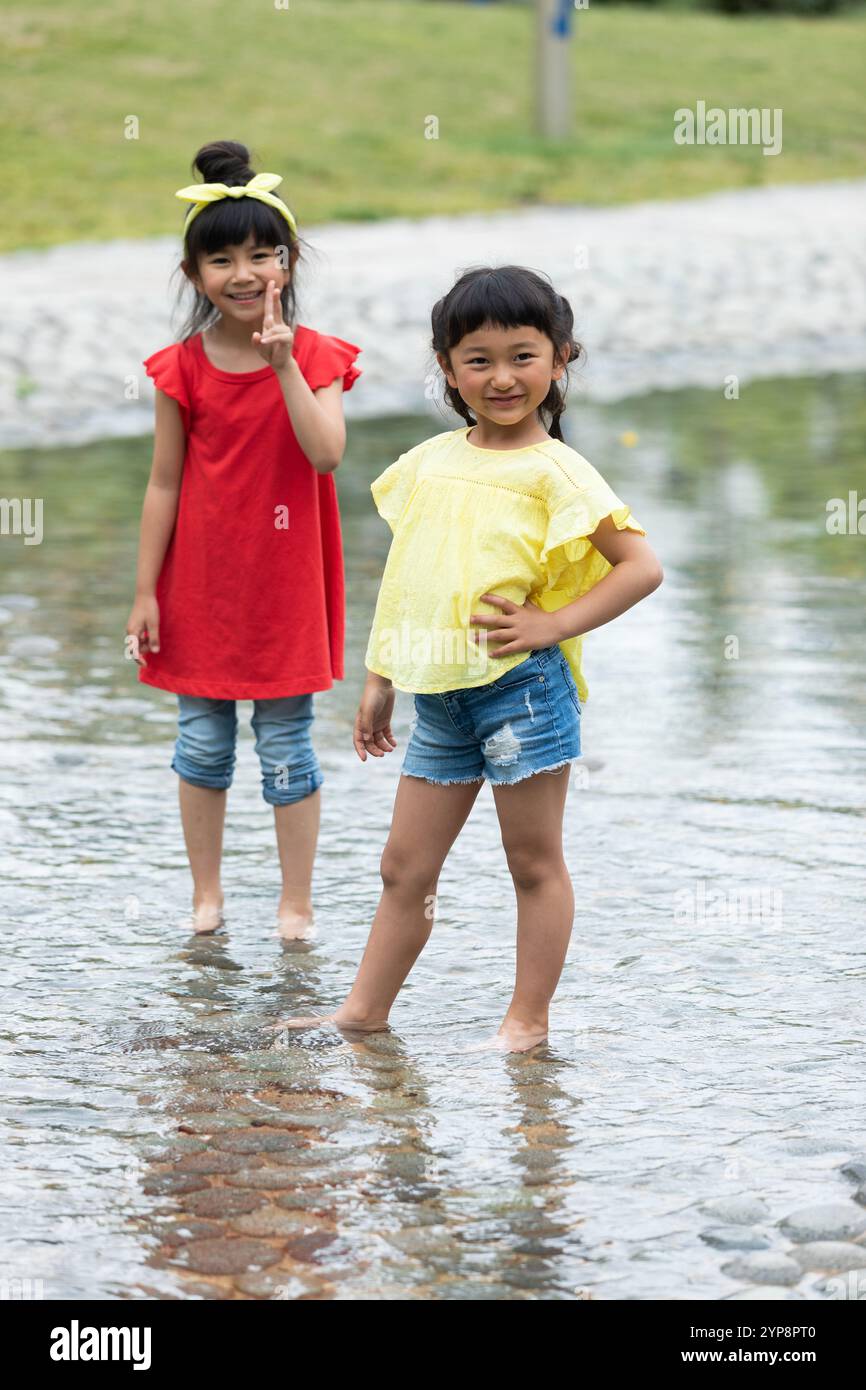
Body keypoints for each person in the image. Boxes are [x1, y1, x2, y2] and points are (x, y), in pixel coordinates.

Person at [276, 264, 663, 1052]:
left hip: (521, 693)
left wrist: (552, 624)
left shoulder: (556, 469)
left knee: (531, 863)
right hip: (440, 699)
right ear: (448, 370)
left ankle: (527, 1023)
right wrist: (381, 678)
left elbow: (641, 566)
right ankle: (363, 1012)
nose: (502, 377)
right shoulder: (429, 461)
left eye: (523, 355)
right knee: (401, 868)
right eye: (478, 359)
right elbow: (411, 579)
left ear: (560, 359)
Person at [125, 140, 362, 939]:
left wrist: (285, 364)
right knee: (201, 740)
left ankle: (295, 902)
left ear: (287, 264)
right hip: (200, 584)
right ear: (194, 276)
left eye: (262, 255)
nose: (244, 274)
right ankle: (208, 896)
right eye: (222, 260)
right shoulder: (180, 370)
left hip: (285, 583)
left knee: (288, 739)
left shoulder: (318, 356)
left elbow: (326, 453)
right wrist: (145, 591)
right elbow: (163, 483)